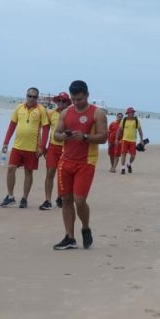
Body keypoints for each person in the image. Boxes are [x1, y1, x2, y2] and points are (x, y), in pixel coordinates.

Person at [52, 80, 107, 250]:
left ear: (87, 95)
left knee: (80, 200)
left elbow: (103, 137)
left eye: (80, 99)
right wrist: (65, 136)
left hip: (86, 162)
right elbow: (56, 135)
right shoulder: (66, 112)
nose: (76, 102)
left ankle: (85, 227)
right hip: (66, 160)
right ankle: (70, 237)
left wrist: (85, 137)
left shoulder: (97, 114)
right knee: (66, 199)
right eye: (74, 99)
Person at [1, 87, 49, 208]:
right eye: (29, 96)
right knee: (11, 168)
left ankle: (24, 198)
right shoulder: (19, 107)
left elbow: (46, 129)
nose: (31, 98)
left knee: (28, 172)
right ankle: (10, 196)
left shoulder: (41, 110)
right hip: (17, 146)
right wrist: (6, 142)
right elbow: (12, 126)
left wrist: (42, 147)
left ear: (37, 98)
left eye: (34, 97)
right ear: (26, 96)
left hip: (32, 148)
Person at [41, 92, 71, 209]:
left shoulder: (70, 114)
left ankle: (60, 197)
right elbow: (46, 131)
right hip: (53, 147)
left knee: (63, 175)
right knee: (50, 173)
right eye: (59, 100)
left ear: (68, 102)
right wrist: (43, 147)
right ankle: (47, 200)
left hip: (66, 148)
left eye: (64, 101)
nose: (61, 103)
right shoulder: (51, 114)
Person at [117, 107, 145, 174]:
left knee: (133, 155)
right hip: (124, 140)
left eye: (132, 112)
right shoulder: (124, 120)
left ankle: (129, 164)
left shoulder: (136, 120)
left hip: (133, 141)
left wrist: (141, 140)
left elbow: (140, 131)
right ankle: (123, 168)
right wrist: (116, 139)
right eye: (130, 112)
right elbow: (119, 130)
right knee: (123, 154)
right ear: (127, 113)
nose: (131, 113)